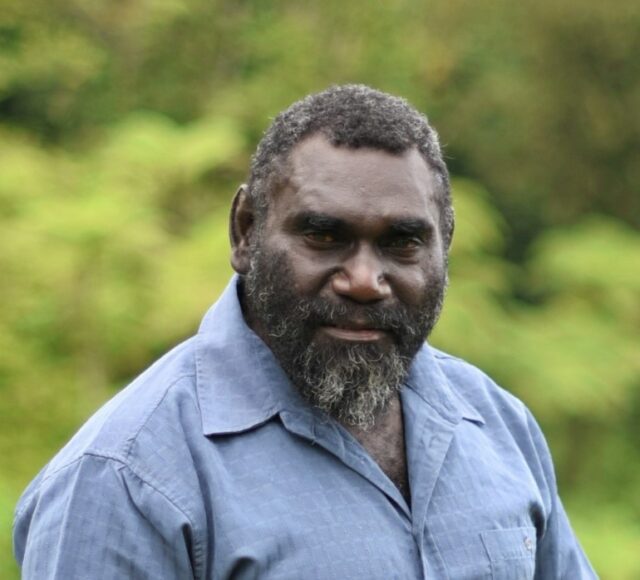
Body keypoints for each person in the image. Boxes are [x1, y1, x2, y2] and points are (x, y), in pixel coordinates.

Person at [13, 85, 597, 579]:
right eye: (324, 236)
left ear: (445, 245)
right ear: (245, 232)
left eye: (402, 242)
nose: (366, 281)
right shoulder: (124, 477)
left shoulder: (498, 425)